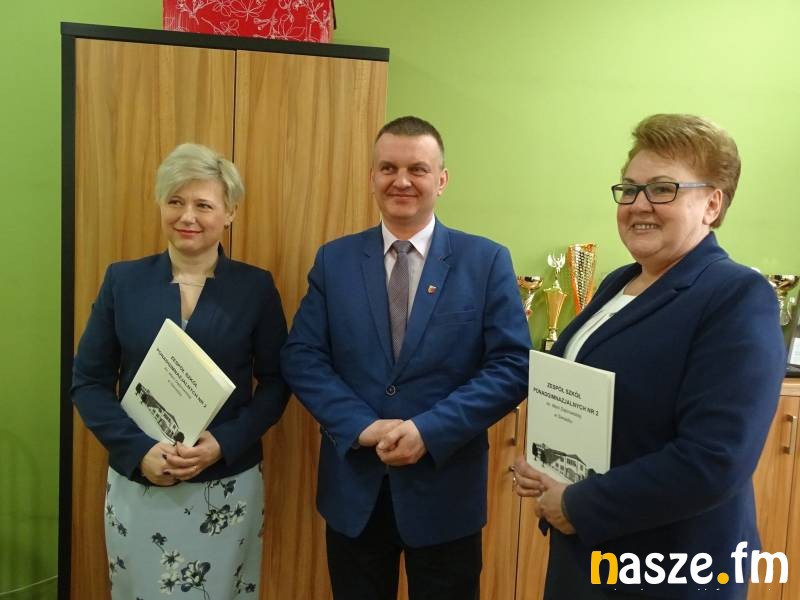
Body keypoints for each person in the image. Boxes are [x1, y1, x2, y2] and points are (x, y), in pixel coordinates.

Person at [513, 114, 786, 599]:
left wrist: (578, 505)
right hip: (590, 554)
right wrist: (549, 465)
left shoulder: (736, 296)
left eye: (662, 189)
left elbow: (714, 460)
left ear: (712, 204)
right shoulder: (619, 282)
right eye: (630, 189)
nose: (639, 205)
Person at [280, 115, 530, 600]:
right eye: (388, 168)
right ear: (372, 176)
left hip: (445, 494)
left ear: (442, 179)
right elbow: (302, 356)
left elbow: (512, 365)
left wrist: (428, 431)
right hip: (355, 492)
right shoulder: (334, 260)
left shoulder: (485, 261)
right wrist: (361, 426)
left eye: (417, 169)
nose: (401, 181)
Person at [71, 143, 289, 598]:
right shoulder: (123, 281)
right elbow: (88, 382)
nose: (187, 216)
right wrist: (139, 450)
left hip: (225, 483)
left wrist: (222, 444)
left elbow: (276, 383)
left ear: (230, 212)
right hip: (139, 479)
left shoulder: (255, 287)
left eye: (203, 205)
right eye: (175, 201)